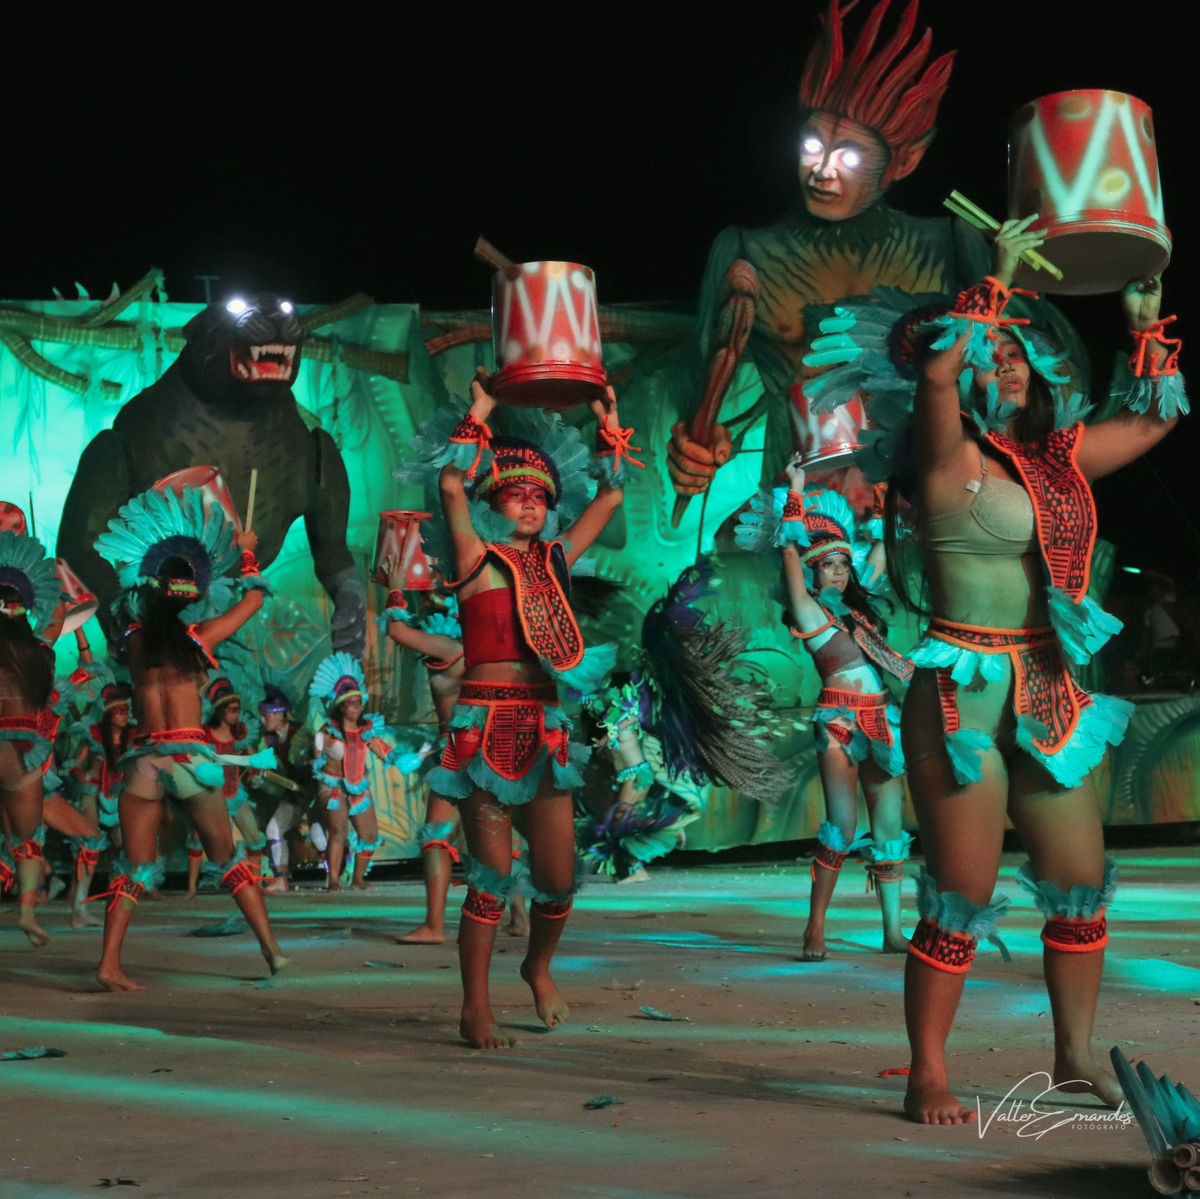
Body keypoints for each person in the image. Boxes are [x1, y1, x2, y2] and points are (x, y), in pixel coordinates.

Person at [897, 218, 1184, 1123]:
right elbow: (935, 374)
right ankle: (928, 1072)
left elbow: (1155, 416)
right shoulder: (945, 455)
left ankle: (1072, 1058)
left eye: (1018, 351)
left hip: (1046, 686)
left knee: (1079, 883)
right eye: (993, 352)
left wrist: (1145, 320)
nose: (1008, 363)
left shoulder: (1058, 461)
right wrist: (995, 280)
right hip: (962, 689)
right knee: (963, 893)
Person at [419, 375, 634, 1049]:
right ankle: (474, 1006)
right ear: (491, 501)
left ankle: (537, 966)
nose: (531, 503)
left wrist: (610, 428)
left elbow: (611, 497)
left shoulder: (555, 561)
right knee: (488, 876)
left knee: (558, 879)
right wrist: (480, 411)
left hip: (545, 727)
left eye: (540, 495)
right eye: (516, 493)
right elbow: (449, 484)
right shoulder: (473, 556)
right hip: (483, 726)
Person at [91, 485, 286, 990]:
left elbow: (128, 611)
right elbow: (255, 598)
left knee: (133, 868)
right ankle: (271, 949)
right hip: (189, 761)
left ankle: (109, 964)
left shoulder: (134, 642)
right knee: (229, 858)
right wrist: (246, 550)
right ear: (192, 595)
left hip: (144, 760)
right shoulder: (197, 639)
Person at [743, 468, 913, 958]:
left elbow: (877, 555)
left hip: (881, 719)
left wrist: (884, 506)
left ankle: (893, 932)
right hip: (839, 722)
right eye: (828, 566)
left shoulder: (859, 613)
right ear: (813, 573)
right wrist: (795, 494)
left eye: (843, 565)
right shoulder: (810, 611)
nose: (838, 572)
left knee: (889, 829)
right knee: (841, 826)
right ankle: (814, 928)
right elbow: (788, 550)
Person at [380, 580, 529, 941]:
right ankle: (520, 918)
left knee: (436, 835)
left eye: (427, 601)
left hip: (460, 749)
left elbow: (397, 631)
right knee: (498, 832)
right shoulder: (483, 651)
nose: (423, 607)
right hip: (489, 747)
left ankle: (434, 925)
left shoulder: (449, 647)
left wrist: (395, 587)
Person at [0, 516, 67, 947]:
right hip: (22, 750)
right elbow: (57, 614)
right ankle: (26, 912)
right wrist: (47, 584)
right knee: (28, 840)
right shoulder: (38, 650)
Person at [309, 653, 425, 891]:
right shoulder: (329, 730)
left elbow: (385, 752)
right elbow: (316, 753)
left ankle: (358, 879)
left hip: (358, 786)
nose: (356, 707)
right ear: (341, 706)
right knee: (338, 830)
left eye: (358, 702)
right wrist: (317, 747)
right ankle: (333, 881)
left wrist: (407, 758)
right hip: (332, 787)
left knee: (370, 836)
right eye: (350, 703)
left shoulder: (366, 730)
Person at [249, 683, 315, 893]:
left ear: (279, 715)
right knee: (273, 830)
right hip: (294, 794)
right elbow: (270, 771)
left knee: (322, 836)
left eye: (266, 716)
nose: (263, 721)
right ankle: (281, 880)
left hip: (317, 792)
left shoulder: (302, 732)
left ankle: (337, 877)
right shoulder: (268, 740)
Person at [203, 676, 269, 878]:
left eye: (237, 710)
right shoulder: (206, 735)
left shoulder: (240, 732)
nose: (236, 714)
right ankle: (219, 884)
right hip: (215, 796)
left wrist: (256, 772)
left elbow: (252, 758)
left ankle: (255, 883)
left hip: (236, 793)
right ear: (221, 711)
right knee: (222, 845)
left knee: (254, 838)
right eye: (232, 710)